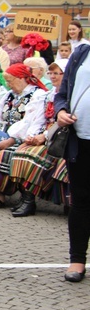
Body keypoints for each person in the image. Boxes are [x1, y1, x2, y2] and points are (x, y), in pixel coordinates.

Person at [0, 63, 49, 210]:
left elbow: (33, 123)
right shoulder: (8, 96)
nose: (8, 84)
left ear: (21, 78)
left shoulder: (37, 95)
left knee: (4, 153)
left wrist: (12, 139)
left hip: (24, 137)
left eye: (10, 80)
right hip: (3, 136)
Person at [7, 59, 66, 217]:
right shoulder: (47, 96)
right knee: (21, 152)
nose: (52, 76)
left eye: (57, 73)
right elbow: (38, 119)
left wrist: (44, 136)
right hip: (46, 135)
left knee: (31, 157)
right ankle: (27, 199)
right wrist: (31, 137)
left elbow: (62, 123)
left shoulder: (69, 96)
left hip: (61, 138)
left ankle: (29, 200)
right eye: (51, 73)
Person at [54, 42, 90, 282]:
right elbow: (62, 95)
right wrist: (61, 111)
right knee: (81, 201)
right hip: (81, 139)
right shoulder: (81, 53)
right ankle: (77, 259)